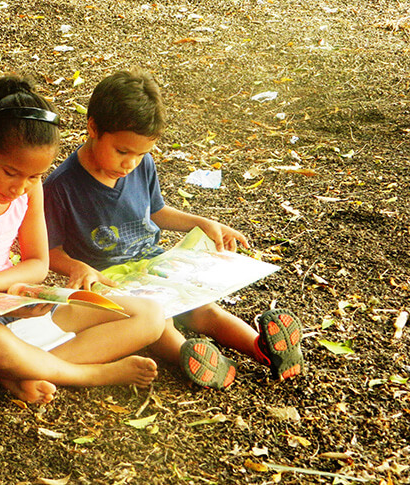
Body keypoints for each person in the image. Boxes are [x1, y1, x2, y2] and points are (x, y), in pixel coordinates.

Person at [0, 75, 166, 404]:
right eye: (11, 173)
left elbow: (37, 264)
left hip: (14, 307)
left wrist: (2, 285)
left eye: (33, 176)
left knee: (149, 315)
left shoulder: (30, 188)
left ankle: (22, 369)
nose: (20, 188)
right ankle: (84, 373)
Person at [43, 69, 304, 390]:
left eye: (141, 154)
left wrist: (202, 222)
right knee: (160, 321)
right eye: (123, 151)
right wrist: (78, 267)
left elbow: (157, 212)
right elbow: (49, 251)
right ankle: (195, 358)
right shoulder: (61, 187)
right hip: (111, 282)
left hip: (155, 265)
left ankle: (263, 349)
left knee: (204, 309)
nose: (131, 164)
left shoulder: (142, 167)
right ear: (93, 127)